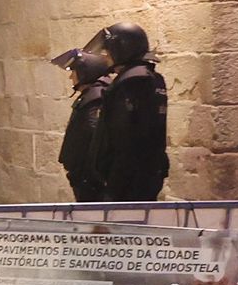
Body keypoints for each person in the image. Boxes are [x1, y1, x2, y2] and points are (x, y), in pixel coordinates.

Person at [85, 22, 167, 201]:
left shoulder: (132, 82)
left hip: (127, 180)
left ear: (121, 48)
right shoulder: (151, 77)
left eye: (108, 51)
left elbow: (123, 137)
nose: (105, 57)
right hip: (142, 175)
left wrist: (113, 177)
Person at [52, 44, 112, 202]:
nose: (71, 77)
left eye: (74, 71)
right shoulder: (92, 96)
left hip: (90, 180)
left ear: (86, 72)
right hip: (84, 177)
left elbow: (95, 141)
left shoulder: (96, 98)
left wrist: (89, 175)